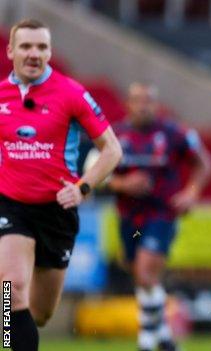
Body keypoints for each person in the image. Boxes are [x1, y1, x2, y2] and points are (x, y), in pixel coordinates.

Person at [0, 19, 122, 351]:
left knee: (39, 313)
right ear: (11, 51)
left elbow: (112, 150)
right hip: (11, 206)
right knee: (10, 291)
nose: (34, 53)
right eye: (26, 46)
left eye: (41, 47)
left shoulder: (71, 93)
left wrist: (83, 188)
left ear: (50, 52)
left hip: (57, 210)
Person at [107, 82, 211, 351]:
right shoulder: (115, 135)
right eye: (138, 100)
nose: (143, 105)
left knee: (145, 274)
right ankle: (165, 337)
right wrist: (122, 184)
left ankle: (146, 341)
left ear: (156, 104)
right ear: (128, 103)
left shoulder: (173, 133)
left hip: (161, 213)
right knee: (142, 278)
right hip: (128, 215)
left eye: (149, 100)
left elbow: (204, 163)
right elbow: (98, 173)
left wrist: (191, 192)